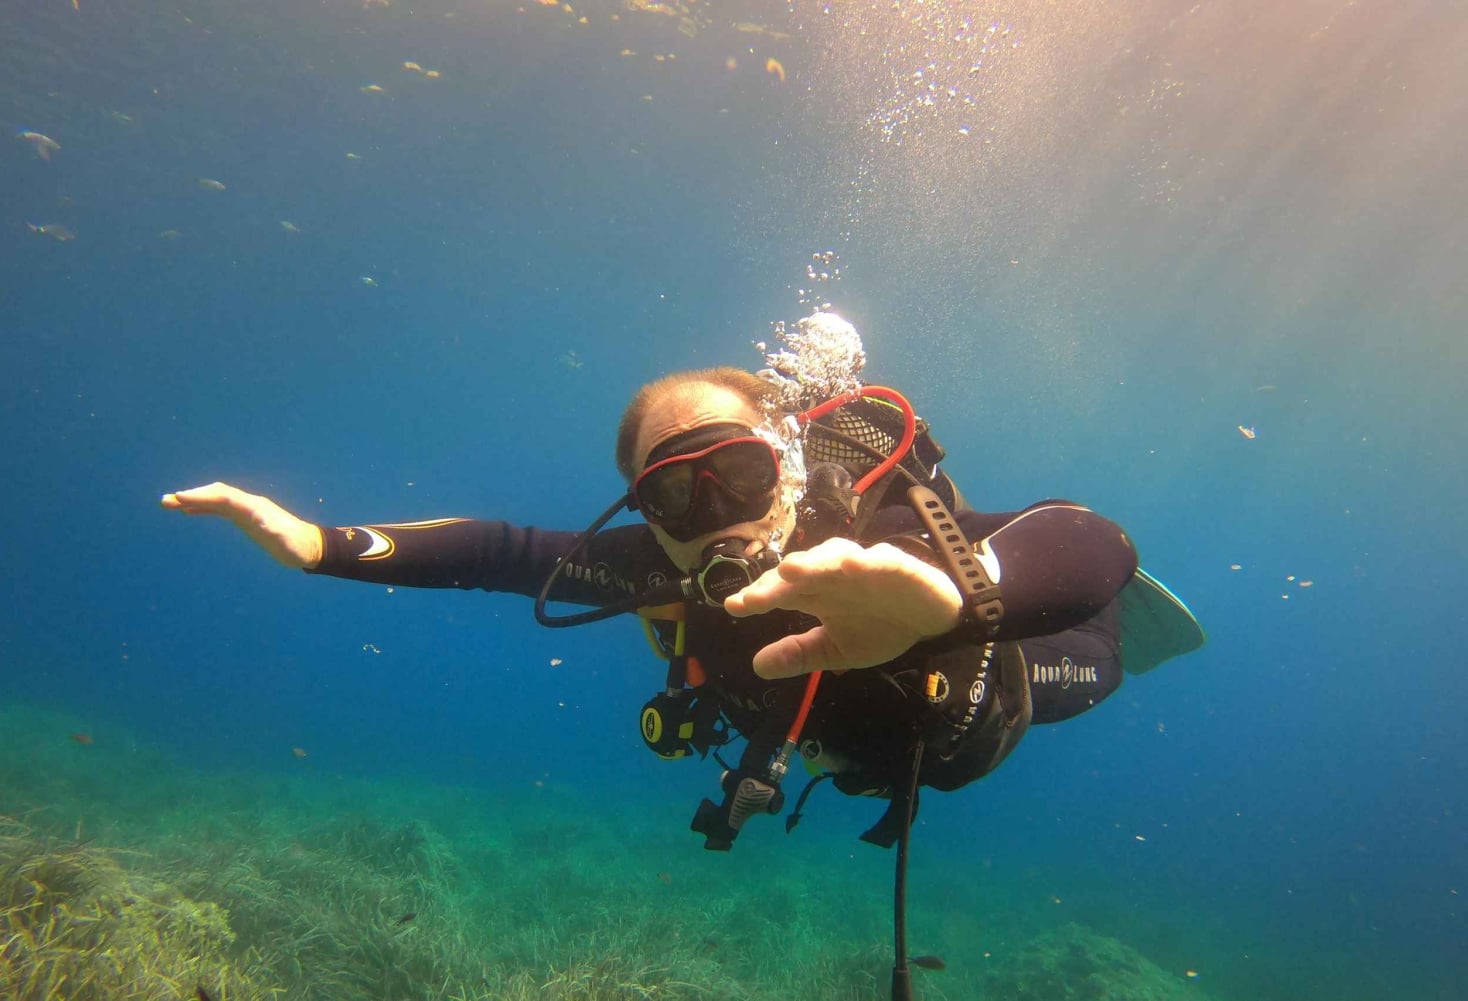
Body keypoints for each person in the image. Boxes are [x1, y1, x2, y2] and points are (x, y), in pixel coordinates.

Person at [164, 358, 1199, 994]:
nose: (717, 516)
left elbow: (1086, 535)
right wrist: (317, 542)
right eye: (675, 492)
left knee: (1094, 665)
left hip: (994, 697)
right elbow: (498, 549)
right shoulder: (654, 568)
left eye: (739, 474)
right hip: (850, 756)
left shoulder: (884, 537)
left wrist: (961, 598)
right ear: (646, 511)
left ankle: (1102, 638)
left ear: (787, 465)